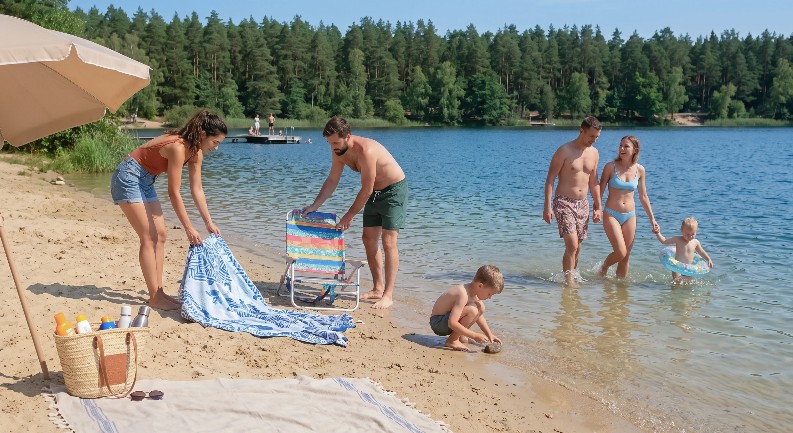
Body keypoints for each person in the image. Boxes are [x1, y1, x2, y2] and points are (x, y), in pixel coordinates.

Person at [110, 109, 227, 310]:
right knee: (149, 236)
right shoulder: (178, 147)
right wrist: (189, 228)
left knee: (161, 235)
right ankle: (155, 296)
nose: (216, 148)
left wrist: (208, 222)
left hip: (146, 180)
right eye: (215, 142)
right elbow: (174, 193)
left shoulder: (196, 152)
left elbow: (196, 189)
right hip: (128, 176)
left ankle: (159, 292)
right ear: (202, 135)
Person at [302, 116, 408, 309]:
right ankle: (378, 288)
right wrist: (315, 205)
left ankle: (388, 295)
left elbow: (366, 189)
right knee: (368, 239)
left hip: (393, 190)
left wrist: (349, 215)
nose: (332, 146)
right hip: (375, 193)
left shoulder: (366, 151)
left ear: (347, 136)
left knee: (388, 241)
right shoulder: (338, 150)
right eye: (329, 143)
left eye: (335, 142)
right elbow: (333, 180)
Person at [543, 116, 603, 288]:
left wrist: (598, 206)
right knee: (572, 244)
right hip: (563, 202)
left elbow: (594, 181)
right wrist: (547, 207)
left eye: (597, 137)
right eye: (591, 136)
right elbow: (550, 179)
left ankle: (571, 275)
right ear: (581, 131)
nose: (594, 140)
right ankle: (569, 283)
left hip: (583, 203)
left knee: (578, 247)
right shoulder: (564, 150)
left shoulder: (594, 153)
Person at [598, 135, 660, 278]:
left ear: (634, 150)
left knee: (626, 257)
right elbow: (599, 191)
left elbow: (643, 196)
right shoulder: (610, 167)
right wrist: (597, 209)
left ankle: (621, 293)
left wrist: (653, 220)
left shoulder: (640, 170)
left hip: (630, 216)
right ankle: (604, 267)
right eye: (620, 146)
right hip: (611, 213)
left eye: (626, 146)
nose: (622, 149)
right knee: (620, 252)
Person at [429, 265, 503, 351]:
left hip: (445, 322)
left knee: (480, 307)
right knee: (472, 310)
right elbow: (452, 323)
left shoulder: (474, 294)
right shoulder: (463, 294)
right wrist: (474, 335)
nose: (490, 297)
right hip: (438, 323)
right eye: (489, 294)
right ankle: (452, 340)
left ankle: (460, 337)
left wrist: (489, 334)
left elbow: (479, 317)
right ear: (480, 286)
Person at [654, 217, 714, 282]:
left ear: (696, 232)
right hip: (677, 268)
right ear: (681, 230)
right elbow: (664, 241)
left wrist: (708, 259)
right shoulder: (678, 239)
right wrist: (658, 233)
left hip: (689, 269)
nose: (690, 236)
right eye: (687, 234)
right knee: (677, 284)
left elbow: (701, 252)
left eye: (693, 234)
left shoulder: (696, 242)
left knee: (688, 285)